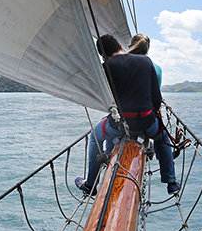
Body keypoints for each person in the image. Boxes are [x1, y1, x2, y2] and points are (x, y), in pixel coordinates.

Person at [75, 34, 179, 197]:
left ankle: (90, 185)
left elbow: (107, 100)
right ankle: (171, 182)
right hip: (147, 122)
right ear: (121, 46)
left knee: (95, 137)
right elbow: (156, 99)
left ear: (103, 55)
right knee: (163, 138)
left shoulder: (106, 67)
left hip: (120, 126)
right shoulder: (146, 61)